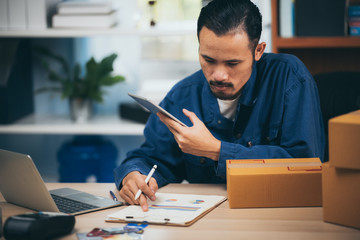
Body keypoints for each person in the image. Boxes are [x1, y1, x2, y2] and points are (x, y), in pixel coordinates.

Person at [114, 0, 325, 211]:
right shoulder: (183, 95)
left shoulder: (290, 78)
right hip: (207, 221)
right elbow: (149, 157)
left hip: (279, 213)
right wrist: (133, 175)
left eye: (232, 63)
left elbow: (305, 165)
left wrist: (216, 150)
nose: (218, 75)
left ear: (258, 51)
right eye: (208, 59)